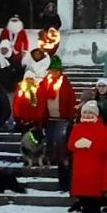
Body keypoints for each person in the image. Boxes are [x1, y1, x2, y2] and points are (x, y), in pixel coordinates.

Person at [68, 101, 107, 213]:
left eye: (90, 112)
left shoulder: (102, 128)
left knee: (94, 194)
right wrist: (76, 145)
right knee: (83, 193)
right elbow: (70, 145)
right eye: (85, 112)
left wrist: (91, 145)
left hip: (95, 165)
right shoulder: (77, 128)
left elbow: (105, 147)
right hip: (80, 166)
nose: (87, 115)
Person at [39, 56, 76, 189]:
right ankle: (50, 157)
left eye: (56, 70)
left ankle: (60, 158)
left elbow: (71, 99)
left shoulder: (65, 82)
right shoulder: (45, 82)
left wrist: (71, 115)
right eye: (51, 71)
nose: (53, 73)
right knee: (49, 138)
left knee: (59, 138)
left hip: (62, 117)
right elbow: (40, 97)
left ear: (60, 71)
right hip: (48, 117)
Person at [0, 40, 24, 129]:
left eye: (5, 49)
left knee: (10, 107)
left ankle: (10, 124)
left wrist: (15, 83)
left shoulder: (15, 61)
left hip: (11, 89)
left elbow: (20, 74)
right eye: (2, 49)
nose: (4, 51)